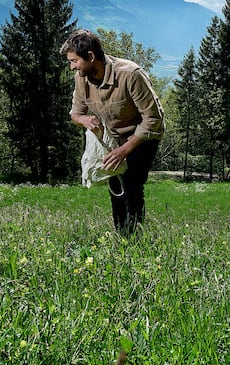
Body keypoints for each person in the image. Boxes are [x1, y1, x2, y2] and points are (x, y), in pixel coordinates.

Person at [63, 29, 165, 235]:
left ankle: (134, 240)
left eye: (74, 61)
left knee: (131, 185)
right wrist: (84, 119)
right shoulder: (81, 77)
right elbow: (75, 113)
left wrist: (124, 151)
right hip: (113, 137)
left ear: (90, 57)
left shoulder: (130, 74)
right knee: (116, 187)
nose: (72, 66)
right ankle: (122, 238)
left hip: (143, 135)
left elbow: (153, 119)